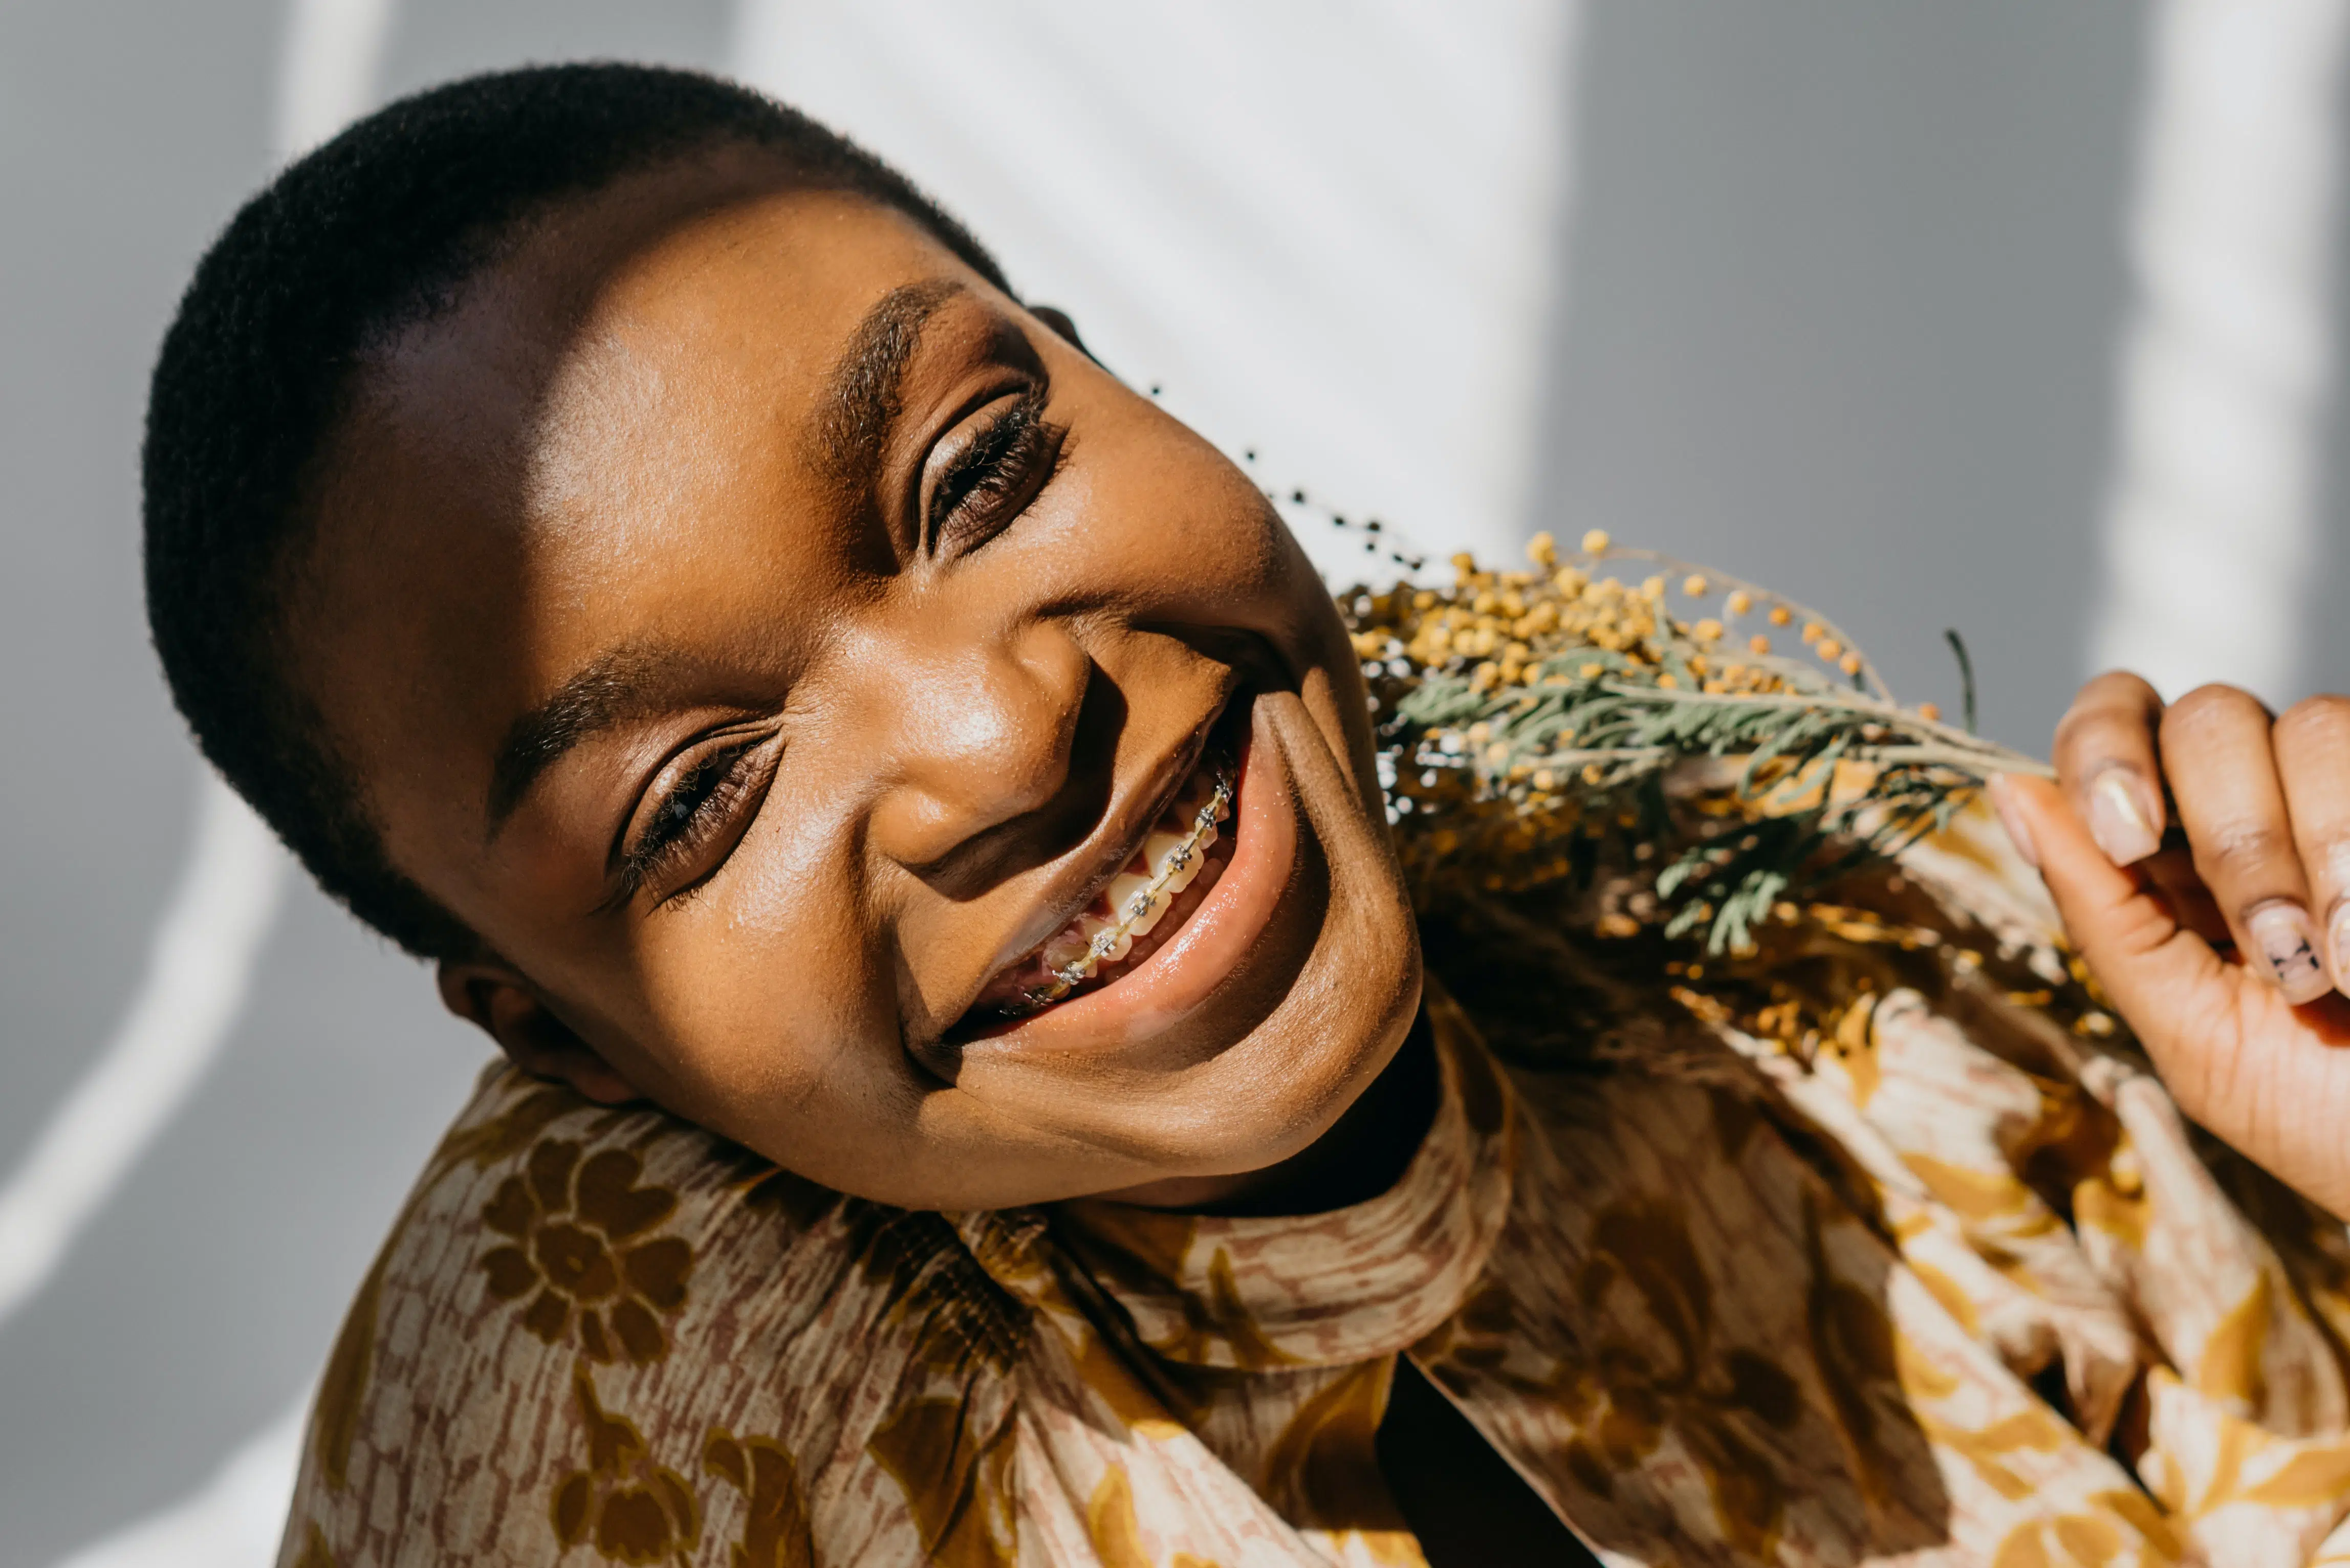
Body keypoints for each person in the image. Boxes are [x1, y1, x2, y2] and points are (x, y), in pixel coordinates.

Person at [141, 62, 2350, 1567]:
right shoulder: (601, 1418)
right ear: (558, 1037)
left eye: (981, 470)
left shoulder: (1844, 992)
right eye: (705, 796)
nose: (1004, 740)